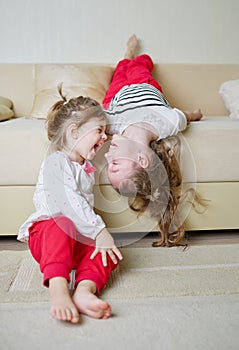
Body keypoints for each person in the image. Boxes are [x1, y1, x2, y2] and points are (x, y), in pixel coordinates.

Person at [17, 86, 123, 323]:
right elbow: (68, 205)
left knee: (110, 253)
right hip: (48, 236)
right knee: (61, 223)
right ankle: (59, 289)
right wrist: (99, 230)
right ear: (74, 132)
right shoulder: (56, 162)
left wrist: (99, 239)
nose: (105, 137)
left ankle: (84, 291)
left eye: (106, 131)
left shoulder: (85, 169)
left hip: (76, 240)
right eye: (99, 130)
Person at [103, 35, 204, 247]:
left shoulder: (111, 125)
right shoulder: (166, 124)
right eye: (115, 163)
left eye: (108, 163)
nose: (106, 155)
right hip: (144, 86)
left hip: (115, 97)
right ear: (142, 158)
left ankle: (126, 55)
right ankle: (136, 55)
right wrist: (195, 114)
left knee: (121, 69)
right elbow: (183, 115)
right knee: (141, 64)